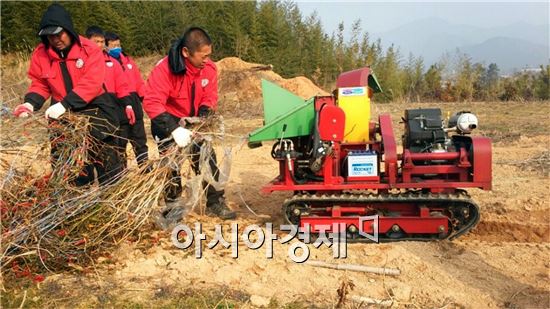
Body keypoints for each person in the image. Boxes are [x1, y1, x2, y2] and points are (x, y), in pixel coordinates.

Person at [12, 3, 122, 185]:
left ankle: (110, 206)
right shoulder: (41, 55)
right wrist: (30, 103)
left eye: (59, 34)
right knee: (71, 170)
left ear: (69, 30)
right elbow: (40, 83)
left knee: (108, 168)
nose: (55, 39)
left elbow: (92, 83)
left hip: (96, 111)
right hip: (62, 117)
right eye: (50, 36)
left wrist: (65, 104)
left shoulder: (90, 50)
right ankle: (77, 208)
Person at [143, 27, 236, 220]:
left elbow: (210, 96)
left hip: (194, 123)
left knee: (207, 159)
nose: (207, 60)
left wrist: (204, 115)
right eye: (203, 56)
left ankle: (215, 202)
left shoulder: (208, 68)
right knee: (171, 166)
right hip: (168, 122)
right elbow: (152, 102)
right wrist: (175, 129)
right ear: (186, 52)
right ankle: (173, 207)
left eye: (209, 55)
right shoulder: (165, 70)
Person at [85, 26, 137, 173]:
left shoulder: (111, 63)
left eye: (102, 42)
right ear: (87, 41)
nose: (100, 45)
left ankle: (113, 179)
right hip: (88, 110)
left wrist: (128, 105)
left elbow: (122, 86)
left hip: (110, 110)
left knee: (111, 148)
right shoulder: (80, 63)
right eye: (96, 41)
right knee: (88, 152)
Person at [104, 31, 149, 167]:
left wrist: (145, 99)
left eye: (118, 44)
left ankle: (145, 168)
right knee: (120, 144)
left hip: (134, 105)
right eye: (113, 45)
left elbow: (139, 82)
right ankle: (121, 174)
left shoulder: (128, 61)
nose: (117, 48)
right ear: (106, 47)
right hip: (118, 106)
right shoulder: (104, 62)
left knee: (140, 141)